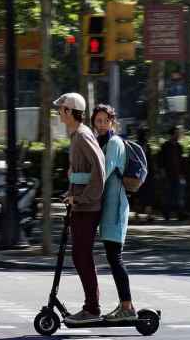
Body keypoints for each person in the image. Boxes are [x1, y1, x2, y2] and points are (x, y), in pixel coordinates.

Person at [54, 93, 106, 324]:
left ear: (69, 111)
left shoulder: (83, 136)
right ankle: (91, 307)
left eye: (61, 109)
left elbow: (99, 171)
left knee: (82, 255)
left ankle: (92, 309)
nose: (58, 113)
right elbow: (83, 172)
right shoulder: (76, 135)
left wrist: (83, 198)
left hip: (88, 207)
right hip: (81, 205)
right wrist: (71, 193)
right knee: (79, 255)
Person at [91, 104, 137, 321]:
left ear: (112, 122)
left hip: (116, 209)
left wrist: (78, 183)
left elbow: (104, 172)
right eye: (97, 121)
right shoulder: (101, 142)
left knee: (115, 257)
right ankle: (125, 306)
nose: (101, 125)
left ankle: (127, 307)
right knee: (112, 257)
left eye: (104, 121)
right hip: (107, 209)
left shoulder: (114, 143)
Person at [159, 126, 186, 221]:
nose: (178, 135)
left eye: (178, 133)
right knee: (168, 194)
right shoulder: (165, 146)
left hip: (177, 174)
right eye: (176, 133)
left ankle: (180, 213)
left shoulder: (179, 146)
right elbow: (161, 160)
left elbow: (181, 161)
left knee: (179, 194)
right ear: (171, 135)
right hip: (168, 174)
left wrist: (182, 173)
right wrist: (162, 171)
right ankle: (166, 213)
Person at [133, 126, 155, 222]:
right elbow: (150, 161)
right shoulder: (145, 146)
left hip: (139, 173)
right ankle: (146, 215)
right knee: (145, 194)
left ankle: (139, 215)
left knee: (139, 194)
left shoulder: (136, 145)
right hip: (145, 173)